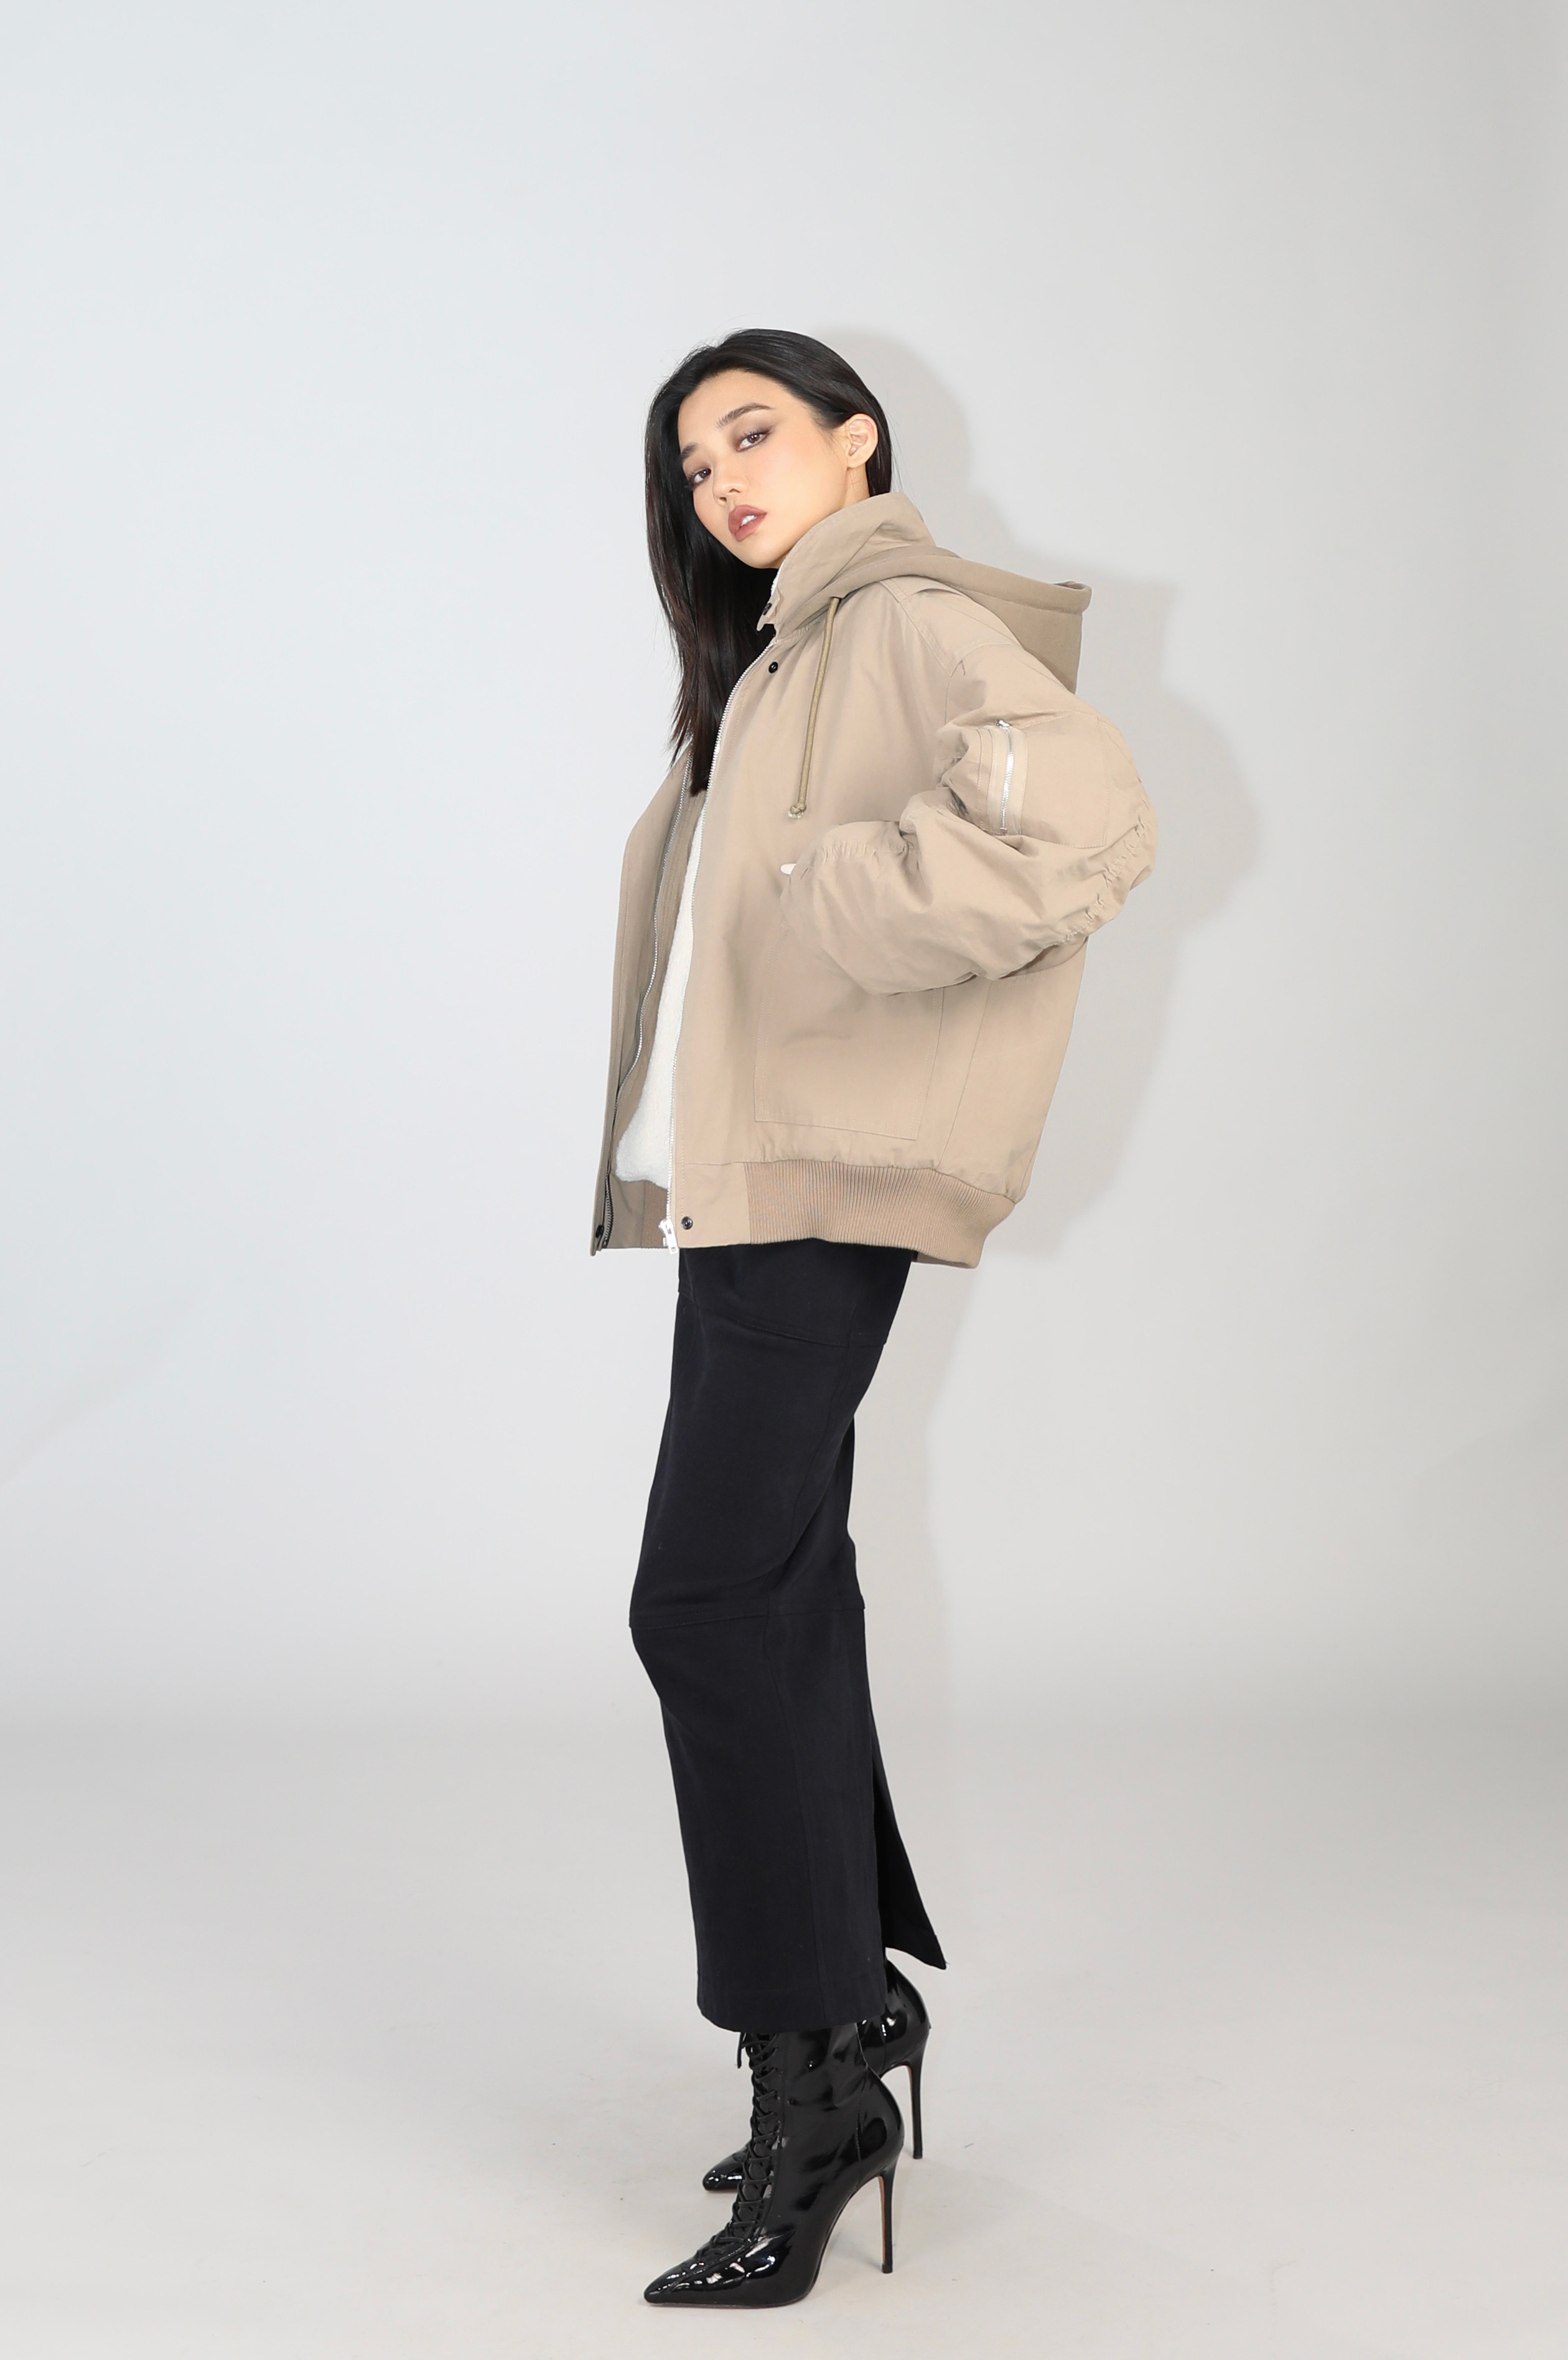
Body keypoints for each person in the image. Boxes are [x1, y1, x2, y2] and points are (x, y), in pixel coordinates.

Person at [591, 329, 1155, 2308]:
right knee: (775, 1589)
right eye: (694, 464)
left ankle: (816, 2075)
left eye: (754, 434)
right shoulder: (777, 656)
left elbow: (1088, 827)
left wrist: (840, 892)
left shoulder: (901, 619)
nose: (721, 480)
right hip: (754, 1185)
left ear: (859, 441)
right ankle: (846, 2014)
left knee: (705, 1603)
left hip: (825, 1179)